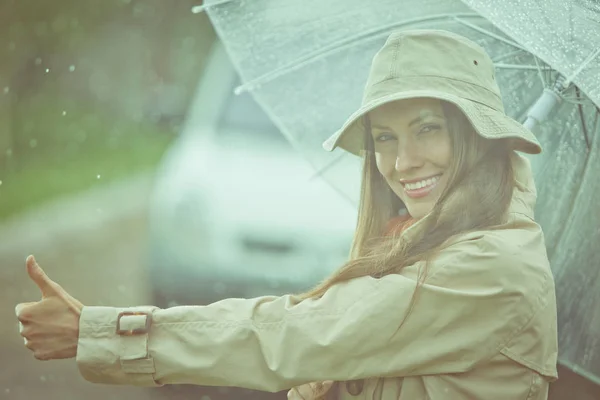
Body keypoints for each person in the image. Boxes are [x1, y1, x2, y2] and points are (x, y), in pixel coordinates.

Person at [15, 29, 558, 399]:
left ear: (477, 137)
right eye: (385, 138)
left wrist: (100, 333)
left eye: (428, 128)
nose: (401, 162)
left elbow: (290, 335)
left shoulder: (490, 268)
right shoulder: (421, 242)